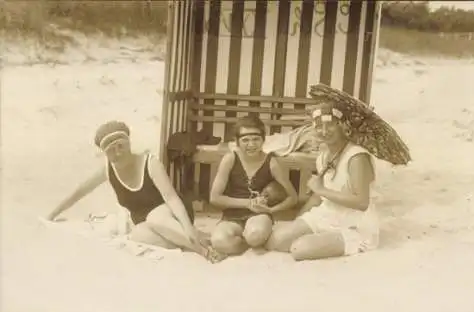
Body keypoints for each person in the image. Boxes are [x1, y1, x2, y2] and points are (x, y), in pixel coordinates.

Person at [44, 121, 225, 263]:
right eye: (111, 150)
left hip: (172, 213)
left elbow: (171, 198)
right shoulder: (107, 170)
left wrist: (188, 226)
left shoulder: (150, 163)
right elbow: (79, 191)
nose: (118, 152)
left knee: (156, 219)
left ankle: (202, 250)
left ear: (129, 143)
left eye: (121, 145)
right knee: (138, 236)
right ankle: (193, 239)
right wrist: (52, 214)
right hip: (144, 222)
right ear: (105, 153)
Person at [265, 104, 379, 260]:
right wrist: (298, 221)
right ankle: (321, 238)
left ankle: (329, 240)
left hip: (354, 224)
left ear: (342, 126)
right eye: (319, 126)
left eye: (330, 125)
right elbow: (317, 198)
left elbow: (361, 202)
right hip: (327, 215)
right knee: (276, 240)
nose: (324, 131)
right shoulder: (323, 157)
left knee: (299, 248)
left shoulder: (357, 157)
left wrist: (321, 190)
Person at [209, 115, 298, 255]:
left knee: (255, 235)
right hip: (232, 216)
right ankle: (249, 245)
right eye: (245, 140)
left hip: (259, 216)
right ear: (237, 142)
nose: (251, 145)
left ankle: (254, 240)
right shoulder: (230, 159)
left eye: (256, 139)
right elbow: (215, 198)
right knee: (219, 241)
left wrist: (271, 211)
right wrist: (248, 203)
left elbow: (292, 197)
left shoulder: (271, 162)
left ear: (263, 139)